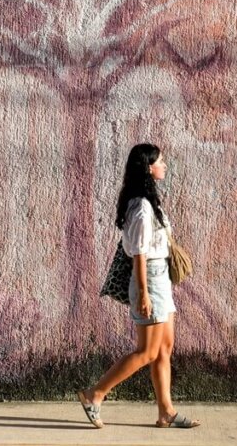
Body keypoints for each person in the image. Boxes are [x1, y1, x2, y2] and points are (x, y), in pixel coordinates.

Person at [77, 143, 200, 429]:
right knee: (146, 352)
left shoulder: (149, 201)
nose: (165, 165)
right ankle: (95, 393)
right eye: (160, 161)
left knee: (165, 348)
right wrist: (144, 292)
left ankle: (166, 412)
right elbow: (139, 254)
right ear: (148, 167)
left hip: (161, 281)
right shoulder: (142, 208)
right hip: (150, 281)